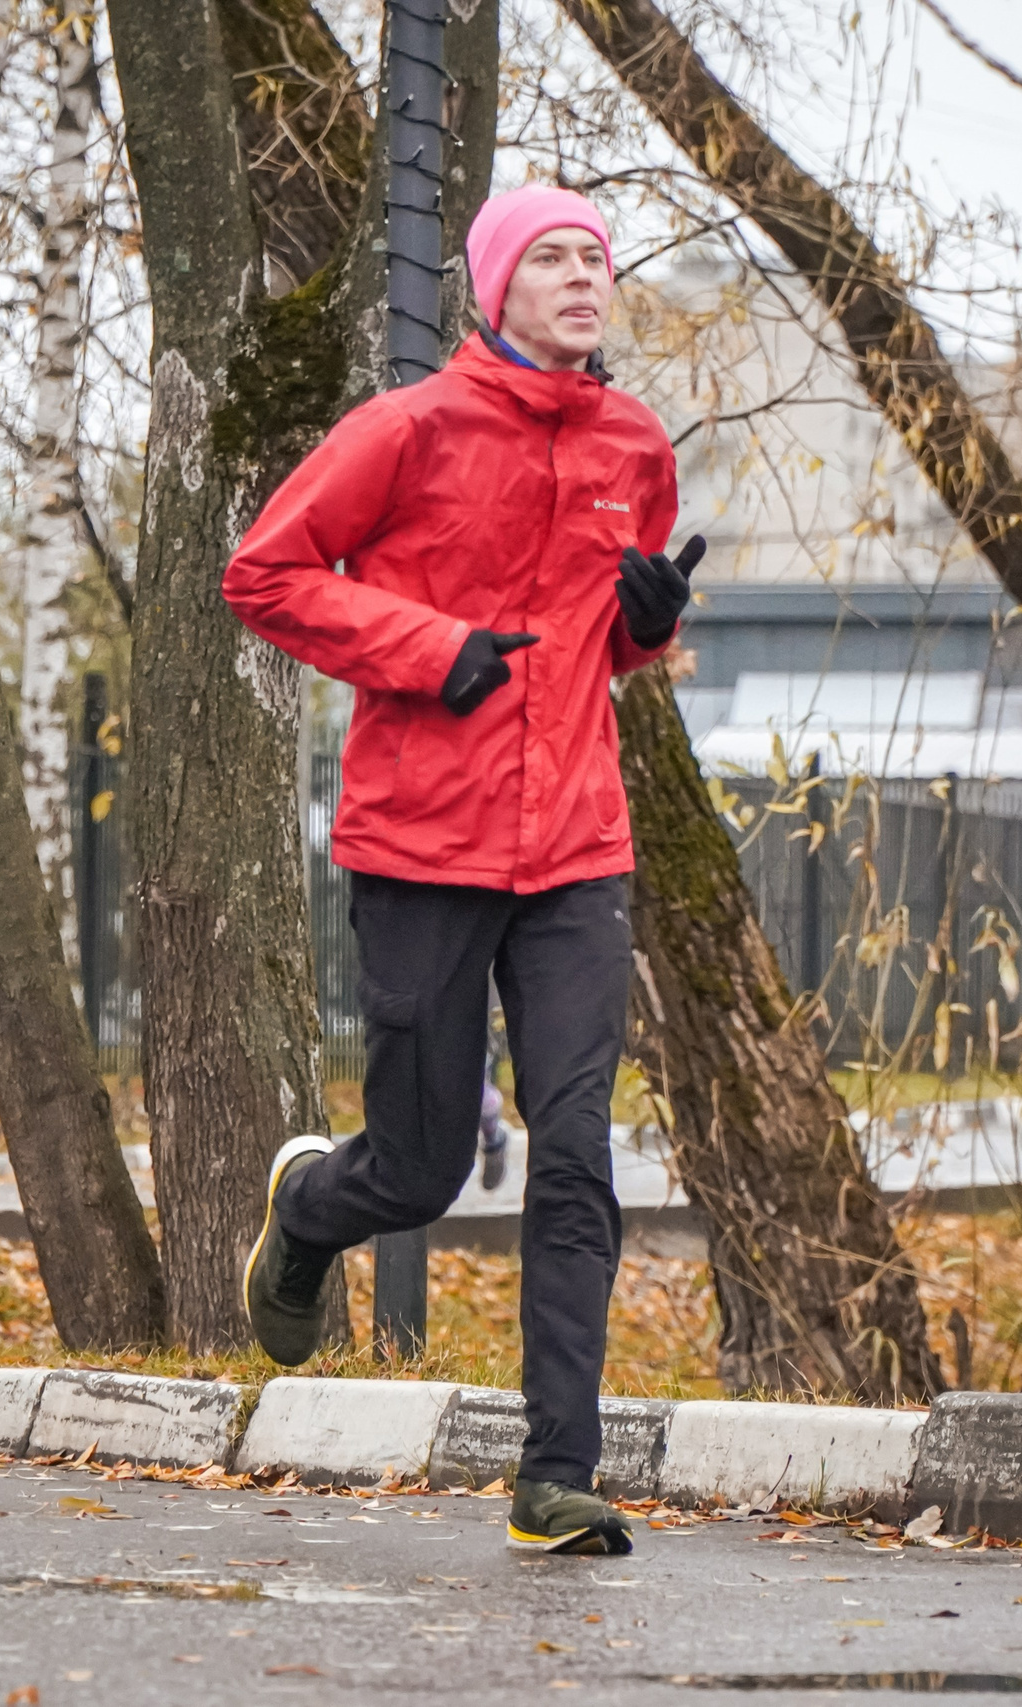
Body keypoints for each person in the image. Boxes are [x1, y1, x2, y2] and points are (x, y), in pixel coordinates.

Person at [223, 184, 696, 1558]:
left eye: (596, 258)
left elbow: (609, 646)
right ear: (497, 287)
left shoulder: (632, 443)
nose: (580, 277)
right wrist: (431, 648)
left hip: (576, 851)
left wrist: (649, 627)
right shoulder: (409, 427)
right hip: (424, 840)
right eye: (551, 257)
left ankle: (556, 1474)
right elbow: (265, 571)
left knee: (576, 1154)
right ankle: (311, 1210)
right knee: (422, 1170)